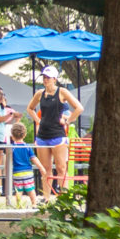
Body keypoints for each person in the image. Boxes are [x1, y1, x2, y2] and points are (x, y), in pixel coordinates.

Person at [24, 67, 79, 200]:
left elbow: (78, 108)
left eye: (48, 77)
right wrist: (38, 121)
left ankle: (63, 198)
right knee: (45, 169)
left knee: (61, 167)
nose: (45, 80)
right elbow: (30, 108)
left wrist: (68, 121)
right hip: (42, 136)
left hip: (58, 135)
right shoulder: (40, 93)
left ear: (54, 79)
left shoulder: (62, 92)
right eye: (44, 77)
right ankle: (46, 198)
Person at [0, 86, 19, 199]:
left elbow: (8, 118)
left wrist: (11, 114)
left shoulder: (2, 107)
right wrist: (9, 115)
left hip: (1, 136)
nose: (1, 96)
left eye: (3, 94)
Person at [7, 122, 36, 207]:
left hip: (17, 172)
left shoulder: (12, 148)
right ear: (25, 135)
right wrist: (41, 167)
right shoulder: (27, 147)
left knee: (19, 190)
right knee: (31, 189)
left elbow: (9, 160)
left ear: (12, 135)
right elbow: (33, 158)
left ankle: (19, 205)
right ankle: (34, 204)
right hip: (28, 172)